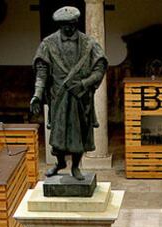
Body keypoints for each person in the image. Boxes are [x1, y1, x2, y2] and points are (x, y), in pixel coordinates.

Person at [30, 6, 108, 180]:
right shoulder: (48, 44)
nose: (68, 28)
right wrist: (37, 94)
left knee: (79, 133)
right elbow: (41, 72)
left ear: (76, 23)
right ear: (59, 25)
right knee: (58, 134)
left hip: (81, 98)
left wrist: (84, 83)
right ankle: (60, 163)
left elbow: (100, 67)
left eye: (71, 24)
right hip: (58, 97)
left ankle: (75, 167)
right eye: (64, 25)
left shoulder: (89, 44)